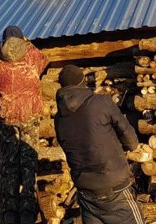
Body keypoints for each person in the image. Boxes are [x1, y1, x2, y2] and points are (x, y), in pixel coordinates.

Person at [54, 65, 148, 224]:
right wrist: (131, 147)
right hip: (114, 185)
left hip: (86, 191)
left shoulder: (59, 118)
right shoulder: (101, 102)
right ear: (82, 82)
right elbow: (128, 136)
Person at [0, 26, 49, 224]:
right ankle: (27, 211)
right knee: (28, 162)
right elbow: (44, 61)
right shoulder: (32, 55)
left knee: (10, 164)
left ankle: (8, 212)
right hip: (30, 115)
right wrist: (27, 42)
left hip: (8, 118)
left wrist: (1, 49)